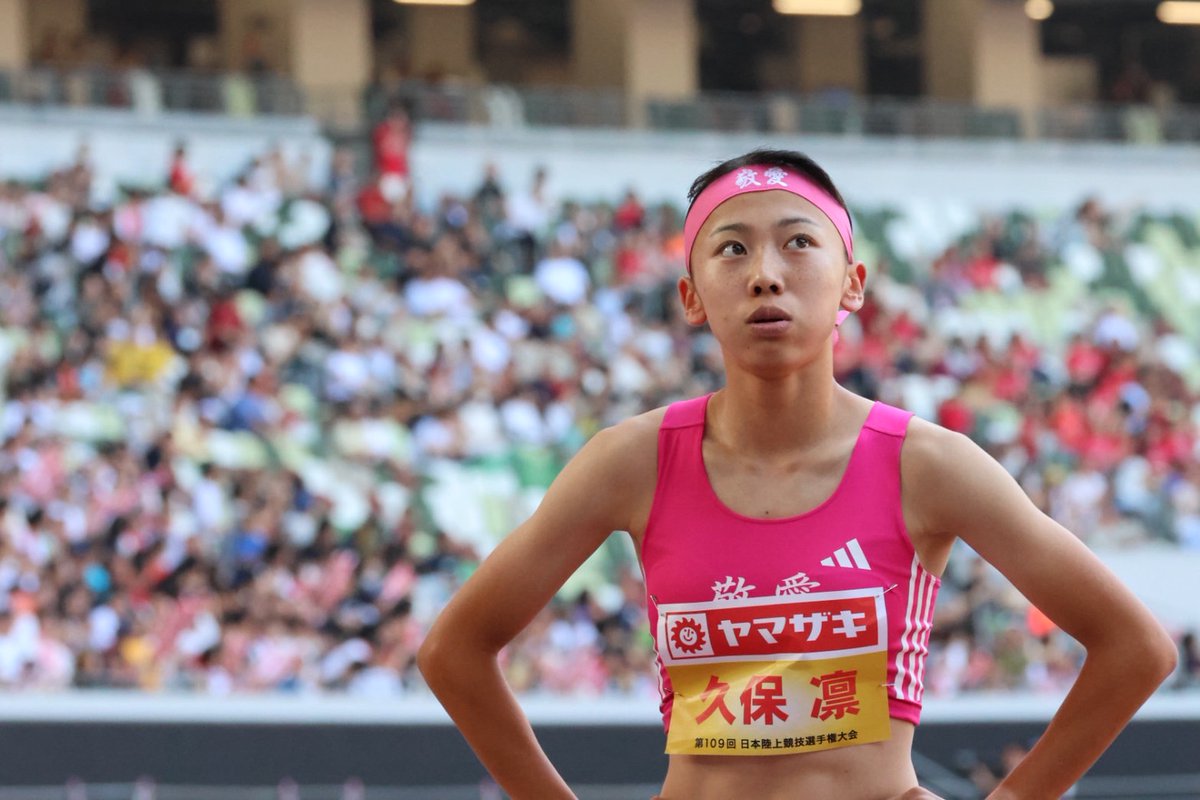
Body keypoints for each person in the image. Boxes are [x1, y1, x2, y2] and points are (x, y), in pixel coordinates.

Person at [417, 149, 1177, 799]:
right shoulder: (633, 461)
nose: (765, 276)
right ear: (690, 297)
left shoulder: (928, 465)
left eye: (798, 243)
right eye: (732, 249)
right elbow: (454, 651)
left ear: (853, 284)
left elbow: (1135, 647)